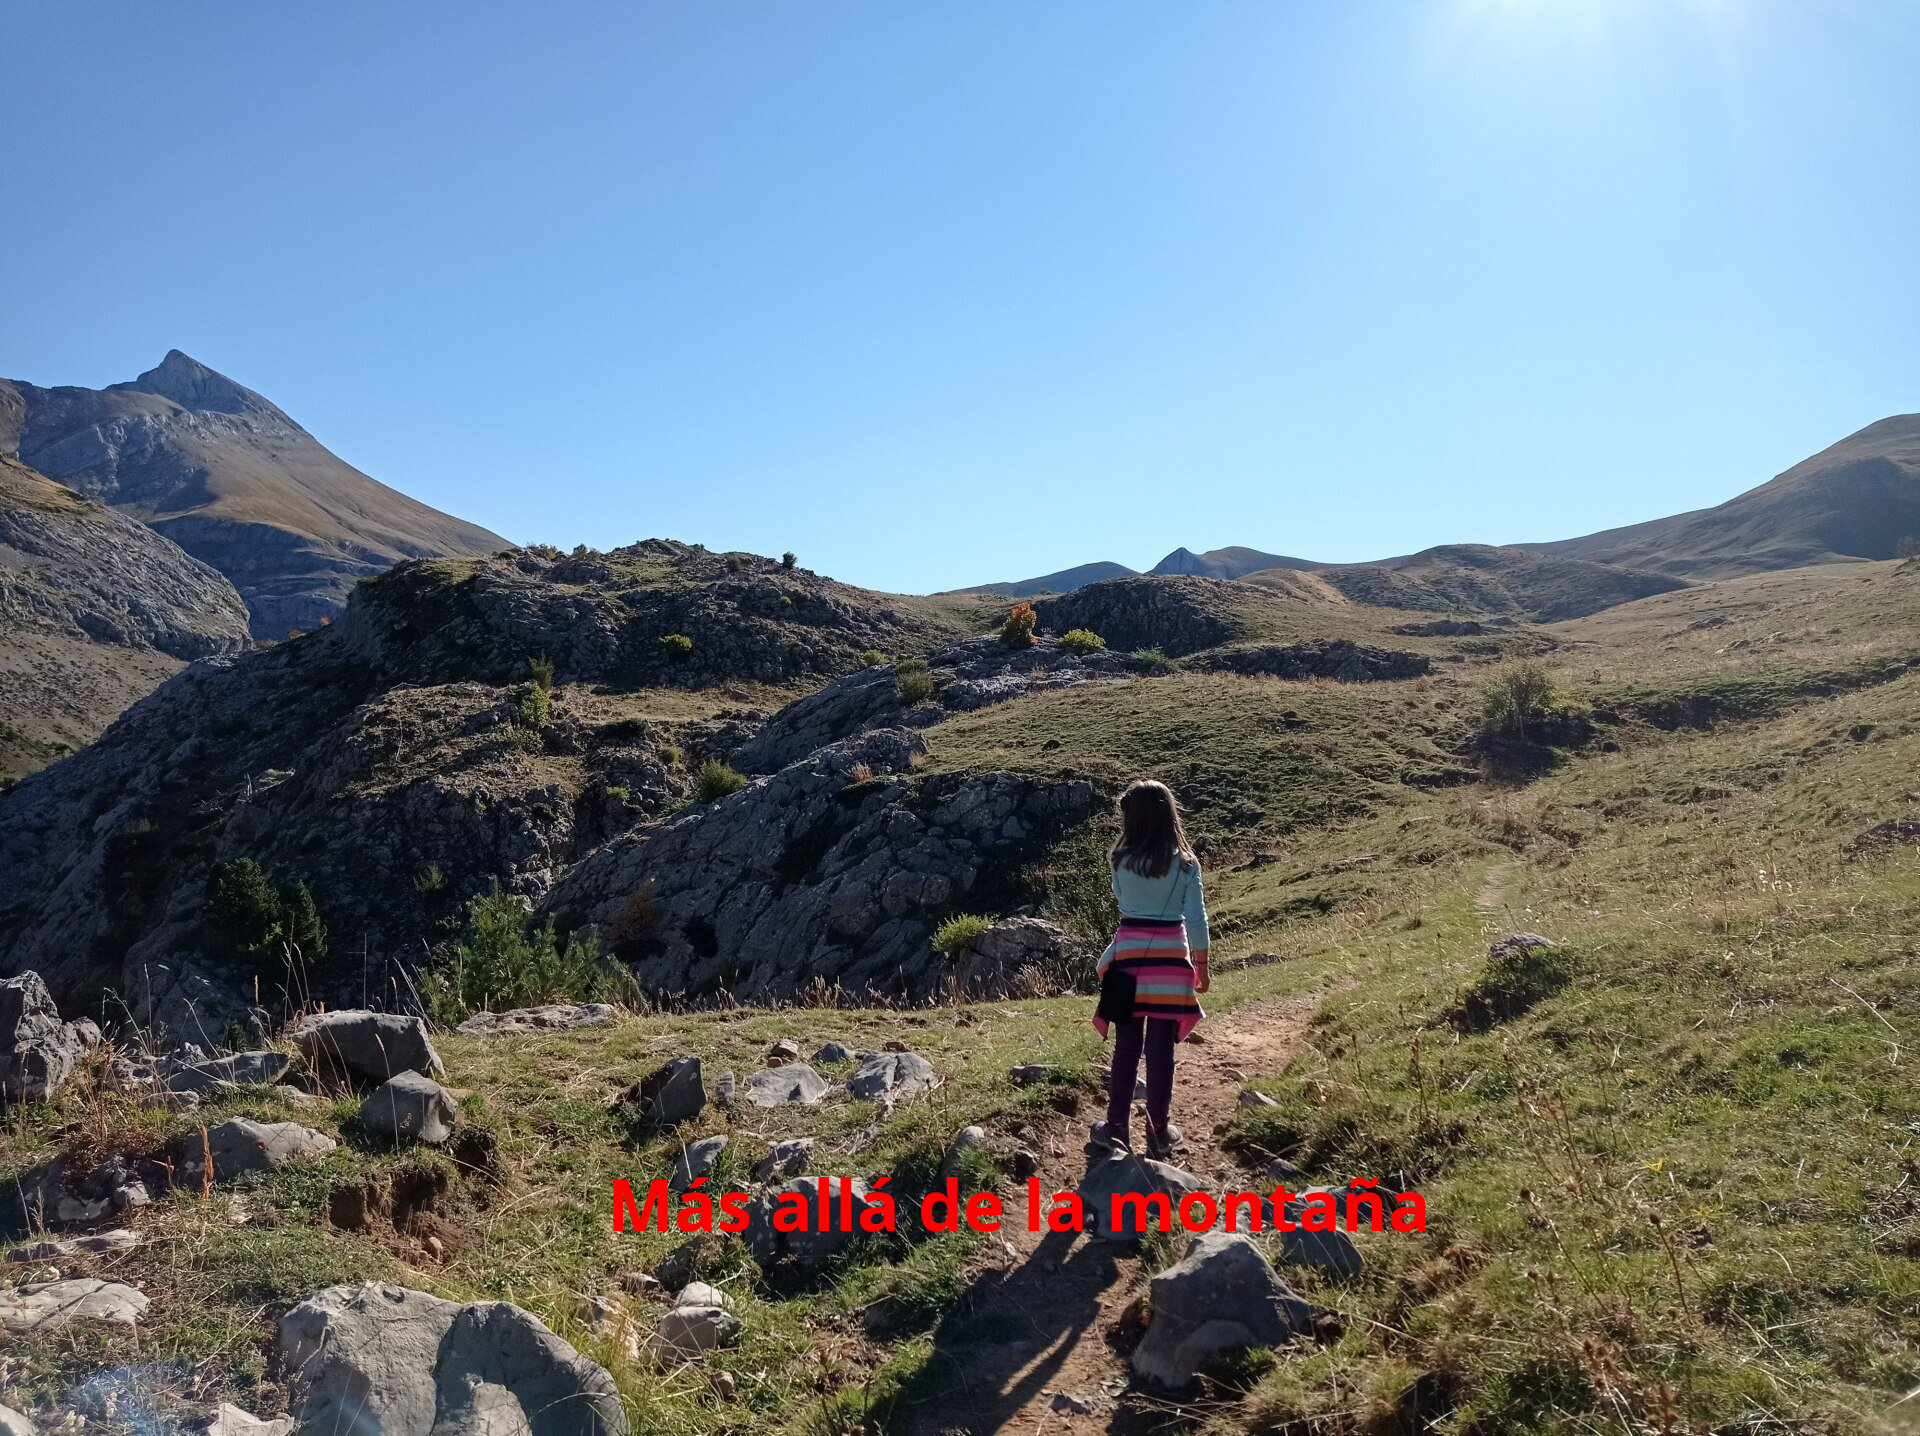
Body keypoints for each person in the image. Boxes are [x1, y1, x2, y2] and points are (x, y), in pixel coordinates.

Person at [1089, 778, 1208, 1159]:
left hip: (1128, 958)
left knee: (1126, 1047)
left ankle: (1116, 1127)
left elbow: (1123, 902)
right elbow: (1196, 918)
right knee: (1160, 1050)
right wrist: (1202, 965)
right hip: (1172, 961)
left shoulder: (1119, 860)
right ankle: (1158, 1131)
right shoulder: (1186, 864)